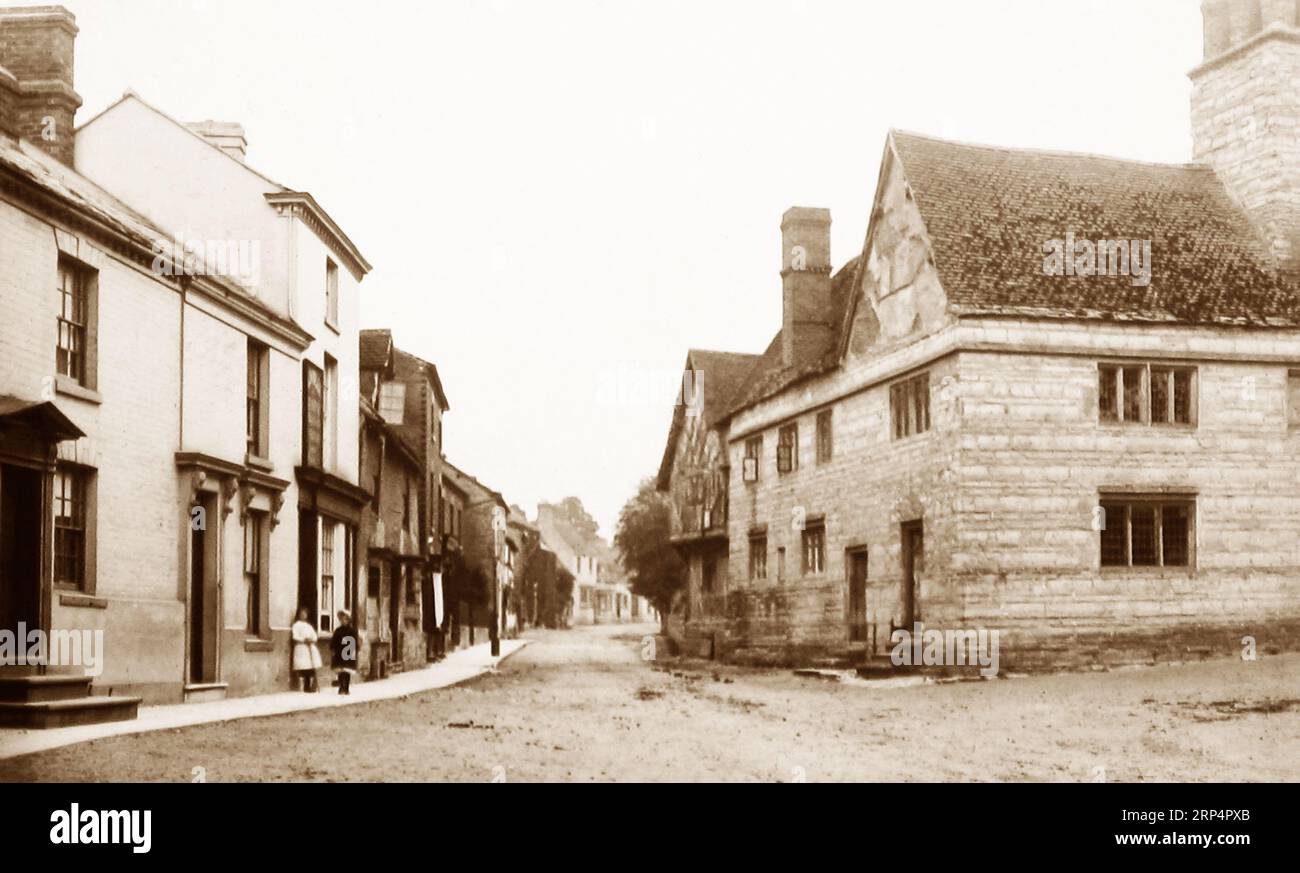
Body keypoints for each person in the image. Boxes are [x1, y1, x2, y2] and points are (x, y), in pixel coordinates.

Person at [290, 608, 322, 692]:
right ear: (299, 615)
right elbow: (295, 636)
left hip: (309, 647)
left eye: (305, 614)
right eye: (301, 614)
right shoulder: (296, 625)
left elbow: (314, 636)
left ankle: (310, 686)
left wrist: (311, 640)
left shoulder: (309, 626)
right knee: (302, 666)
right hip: (301, 647)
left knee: (310, 666)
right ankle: (302, 686)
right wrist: (304, 640)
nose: (303, 615)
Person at [330, 610, 359, 695]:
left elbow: (355, 641)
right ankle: (341, 687)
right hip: (339, 652)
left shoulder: (352, 631)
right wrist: (332, 649)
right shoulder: (338, 631)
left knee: (347, 671)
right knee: (340, 670)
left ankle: (346, 687)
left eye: (345, 619)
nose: (343, 621)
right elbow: (334, 641)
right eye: (342, 620)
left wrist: (355, 650)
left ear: (348, 620)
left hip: (348, 652)